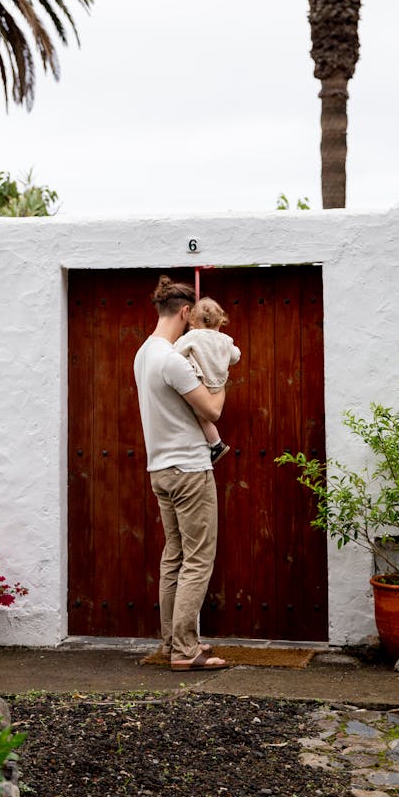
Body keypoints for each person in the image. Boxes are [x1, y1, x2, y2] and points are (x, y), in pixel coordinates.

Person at [133, 275, 229, 671]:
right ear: (186, 312)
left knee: (174, 556)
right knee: (197, 559)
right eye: (193, 317)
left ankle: (173, 642)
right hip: (189, 469)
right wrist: (220, 376)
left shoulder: (143, 353)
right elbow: (212, 410)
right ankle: (186, 650)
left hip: (160, 469)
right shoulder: (172, 360)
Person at [173, 296, 241, 465]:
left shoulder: (193, 336)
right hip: (218, 385)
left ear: (193, 322)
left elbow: (176, 352)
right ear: (220, 322)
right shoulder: (225, 340)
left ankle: (216, 444)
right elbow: (235, 357)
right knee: (204, 417)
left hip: (201, 383)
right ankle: (213, 443)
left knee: (199, 416)